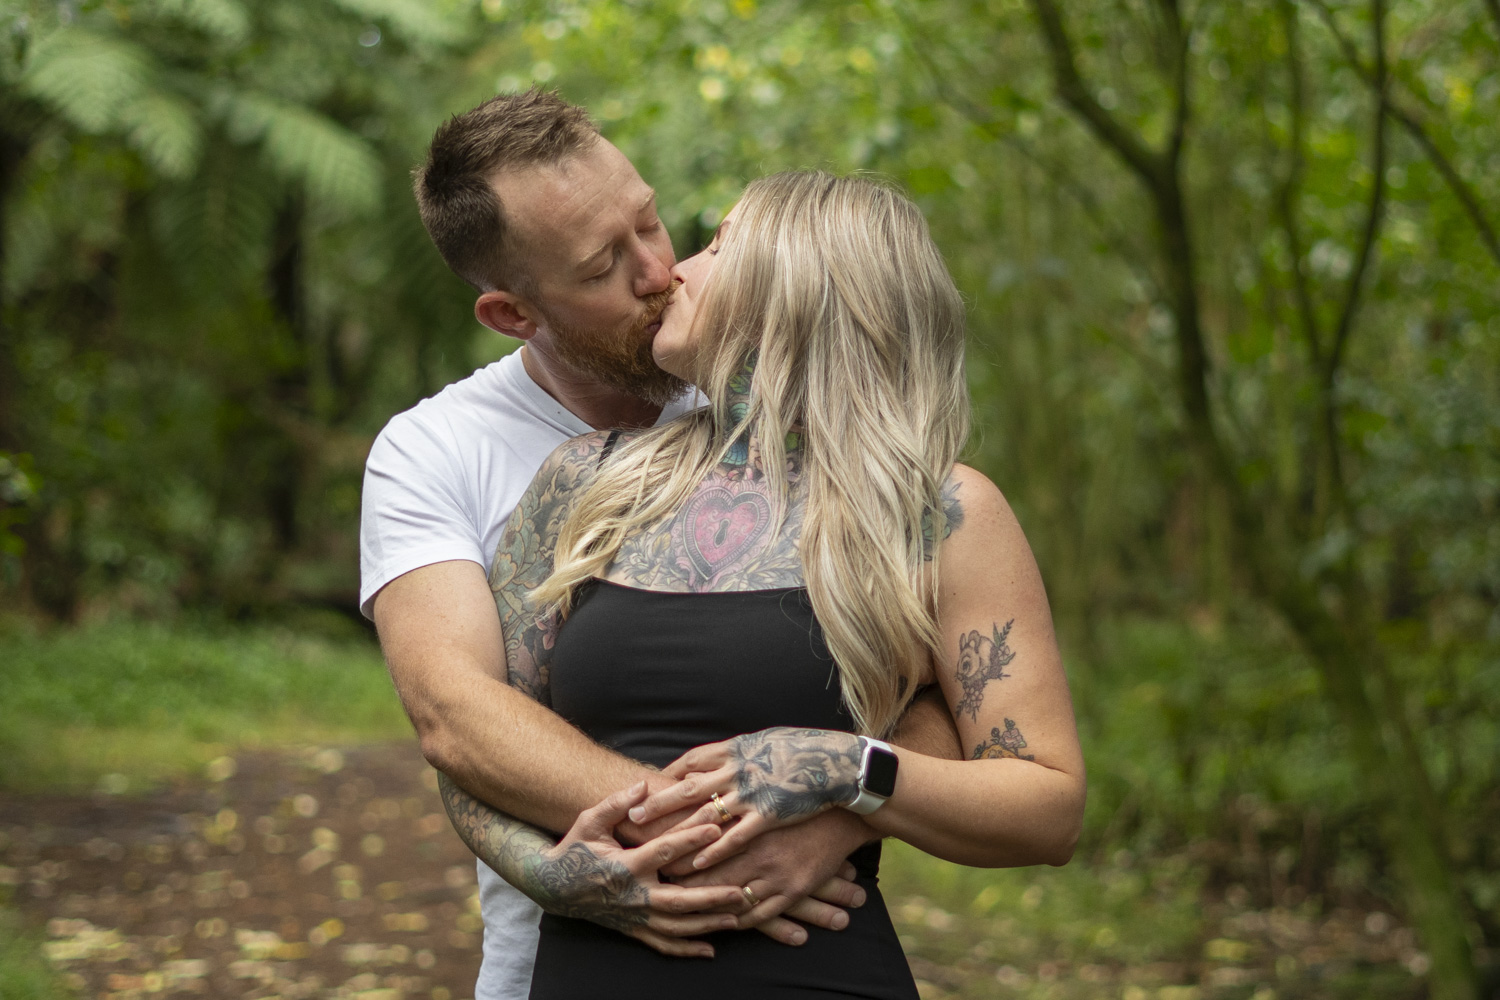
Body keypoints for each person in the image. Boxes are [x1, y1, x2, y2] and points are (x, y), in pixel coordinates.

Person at [360, 90, 962, 1000]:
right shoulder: (435, 451)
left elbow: (935, 679)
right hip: (565, 960)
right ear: (514, 314)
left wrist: (842, 810)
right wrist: (724, 836)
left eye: (649, 222)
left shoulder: (767, 392)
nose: (660, 271)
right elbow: (458, 715)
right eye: (604, 264)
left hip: (812, 951)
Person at [440, 171, 1087, 998]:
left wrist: (843, 769)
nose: (674, 271)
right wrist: (553, 877)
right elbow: (478, 757)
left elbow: (1046, 807)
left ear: (799, 283)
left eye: (718, 246)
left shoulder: (938, 512)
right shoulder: (584, 483)